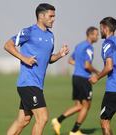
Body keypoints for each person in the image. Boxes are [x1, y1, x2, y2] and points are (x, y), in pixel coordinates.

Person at [4, 3, 69, 135]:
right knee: (43, 117)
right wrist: (24, 58)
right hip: (28, 83)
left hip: (37, 85)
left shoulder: (50, 36)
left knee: (24, 120)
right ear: (41, 16)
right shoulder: (29, 32)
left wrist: (59, 55)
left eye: (54, 16)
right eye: (51, 16)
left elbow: (48, 59)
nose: (53, 19)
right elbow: (8, 45)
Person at [52, 27, 99, 135]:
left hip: (76, 77)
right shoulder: (89, 47)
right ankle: (74, 131)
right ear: (90, 35)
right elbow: (87, 65)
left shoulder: (79, 45)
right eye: (96, 34)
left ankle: (58, 121)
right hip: (84, 78)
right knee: (86, 106)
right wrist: (97, 72)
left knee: (78, 106)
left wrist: (79, 66)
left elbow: (70, 60)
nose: (97, 37)